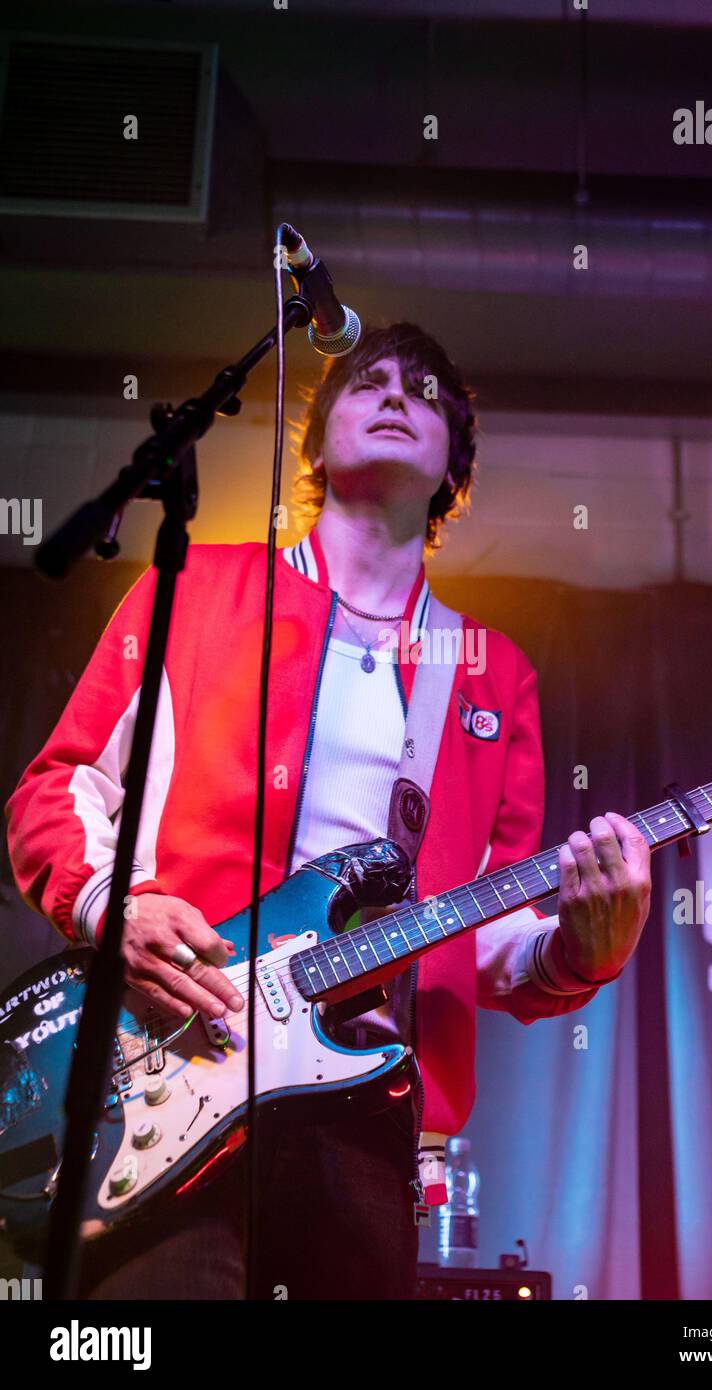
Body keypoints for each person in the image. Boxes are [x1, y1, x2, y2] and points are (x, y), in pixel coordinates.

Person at [5, 322, 652, 1300]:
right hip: (165, 1066)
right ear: (311, 442)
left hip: (363, 1114)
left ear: (452, 468)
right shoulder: (193, 590)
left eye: (426, 392)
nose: (397, 394)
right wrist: (112, 907)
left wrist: (583, 952)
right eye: (369, 382)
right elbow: (57, 790)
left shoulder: (491, 673)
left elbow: (486, 930)